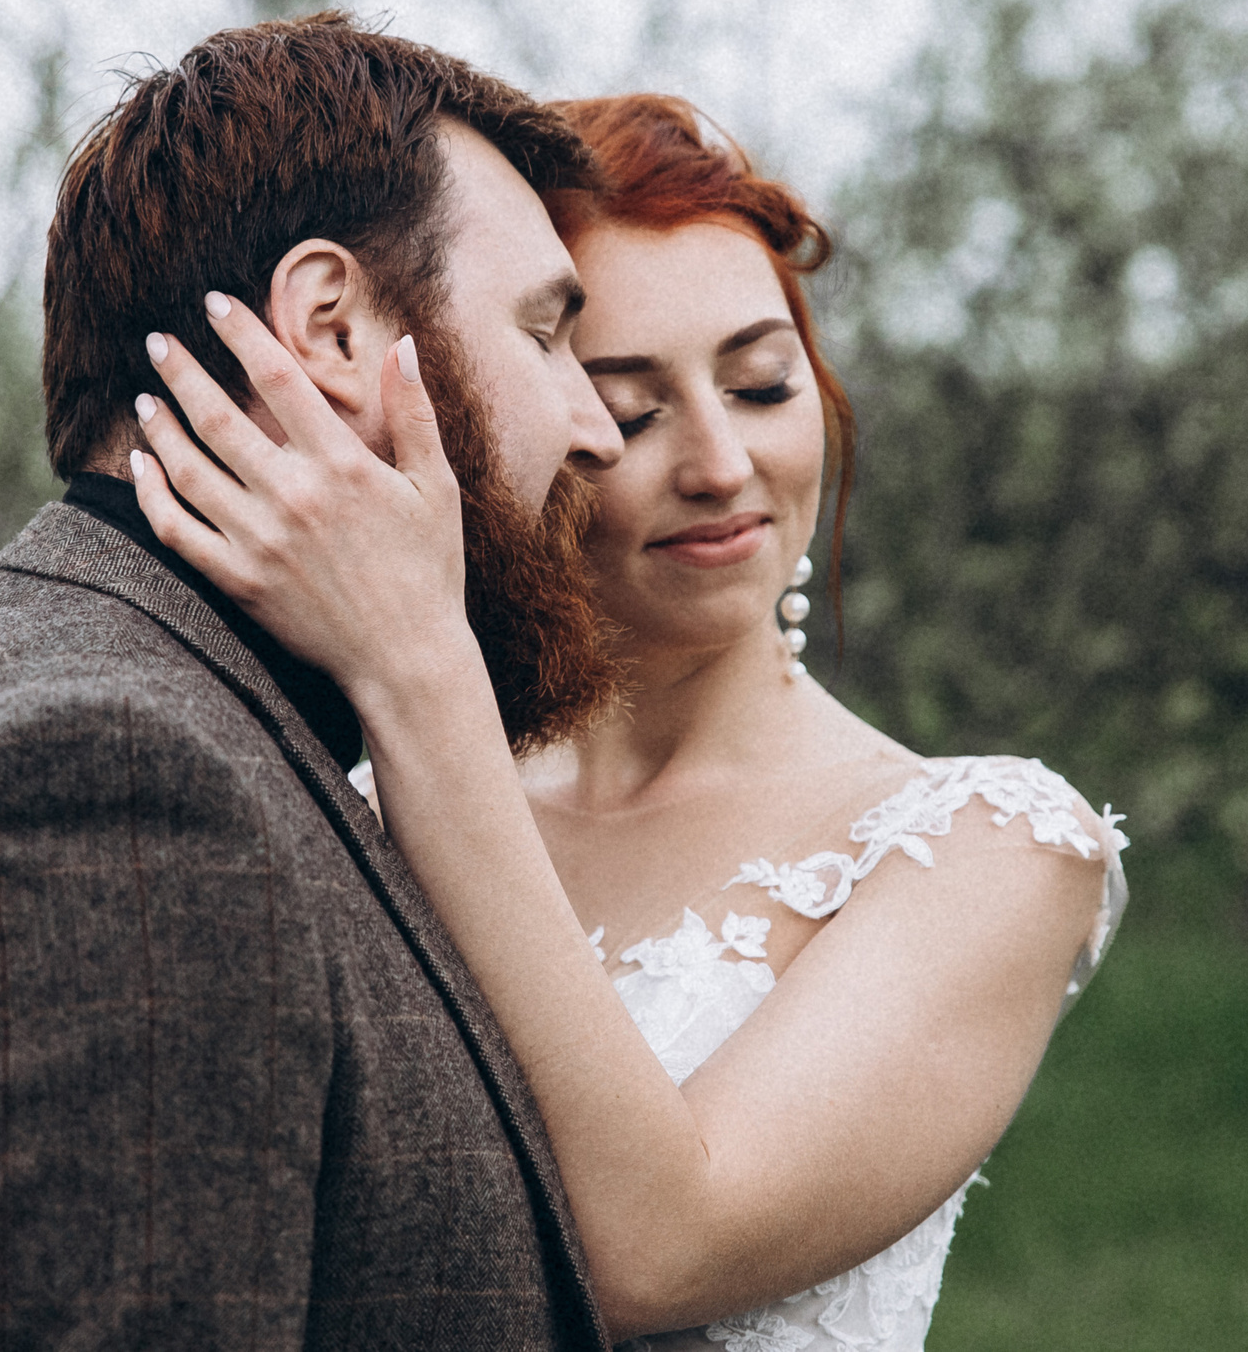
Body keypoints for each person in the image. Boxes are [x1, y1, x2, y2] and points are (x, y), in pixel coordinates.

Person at [124, 92, 1128, 1350]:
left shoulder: (987, 847)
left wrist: (421, 665)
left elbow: (655, 1253)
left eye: (763, 385)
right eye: (632, 407)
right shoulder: (372, 803)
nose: (718, 463)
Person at [0, 15, 632, 1350]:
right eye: (546, 332)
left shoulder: (148, 702)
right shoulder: (105, 787)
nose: (594, 424)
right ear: (330, 323)